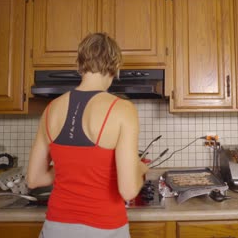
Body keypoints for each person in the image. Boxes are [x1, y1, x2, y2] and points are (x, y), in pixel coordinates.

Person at [27, 32, 149, 238]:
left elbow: (33, 179)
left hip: (55, 228)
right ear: (116, 66)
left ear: (80, 64)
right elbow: (128, 190)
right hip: (105, 228)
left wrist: (73, 168)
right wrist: (140, 167)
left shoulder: (51, 109)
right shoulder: (122, 109)